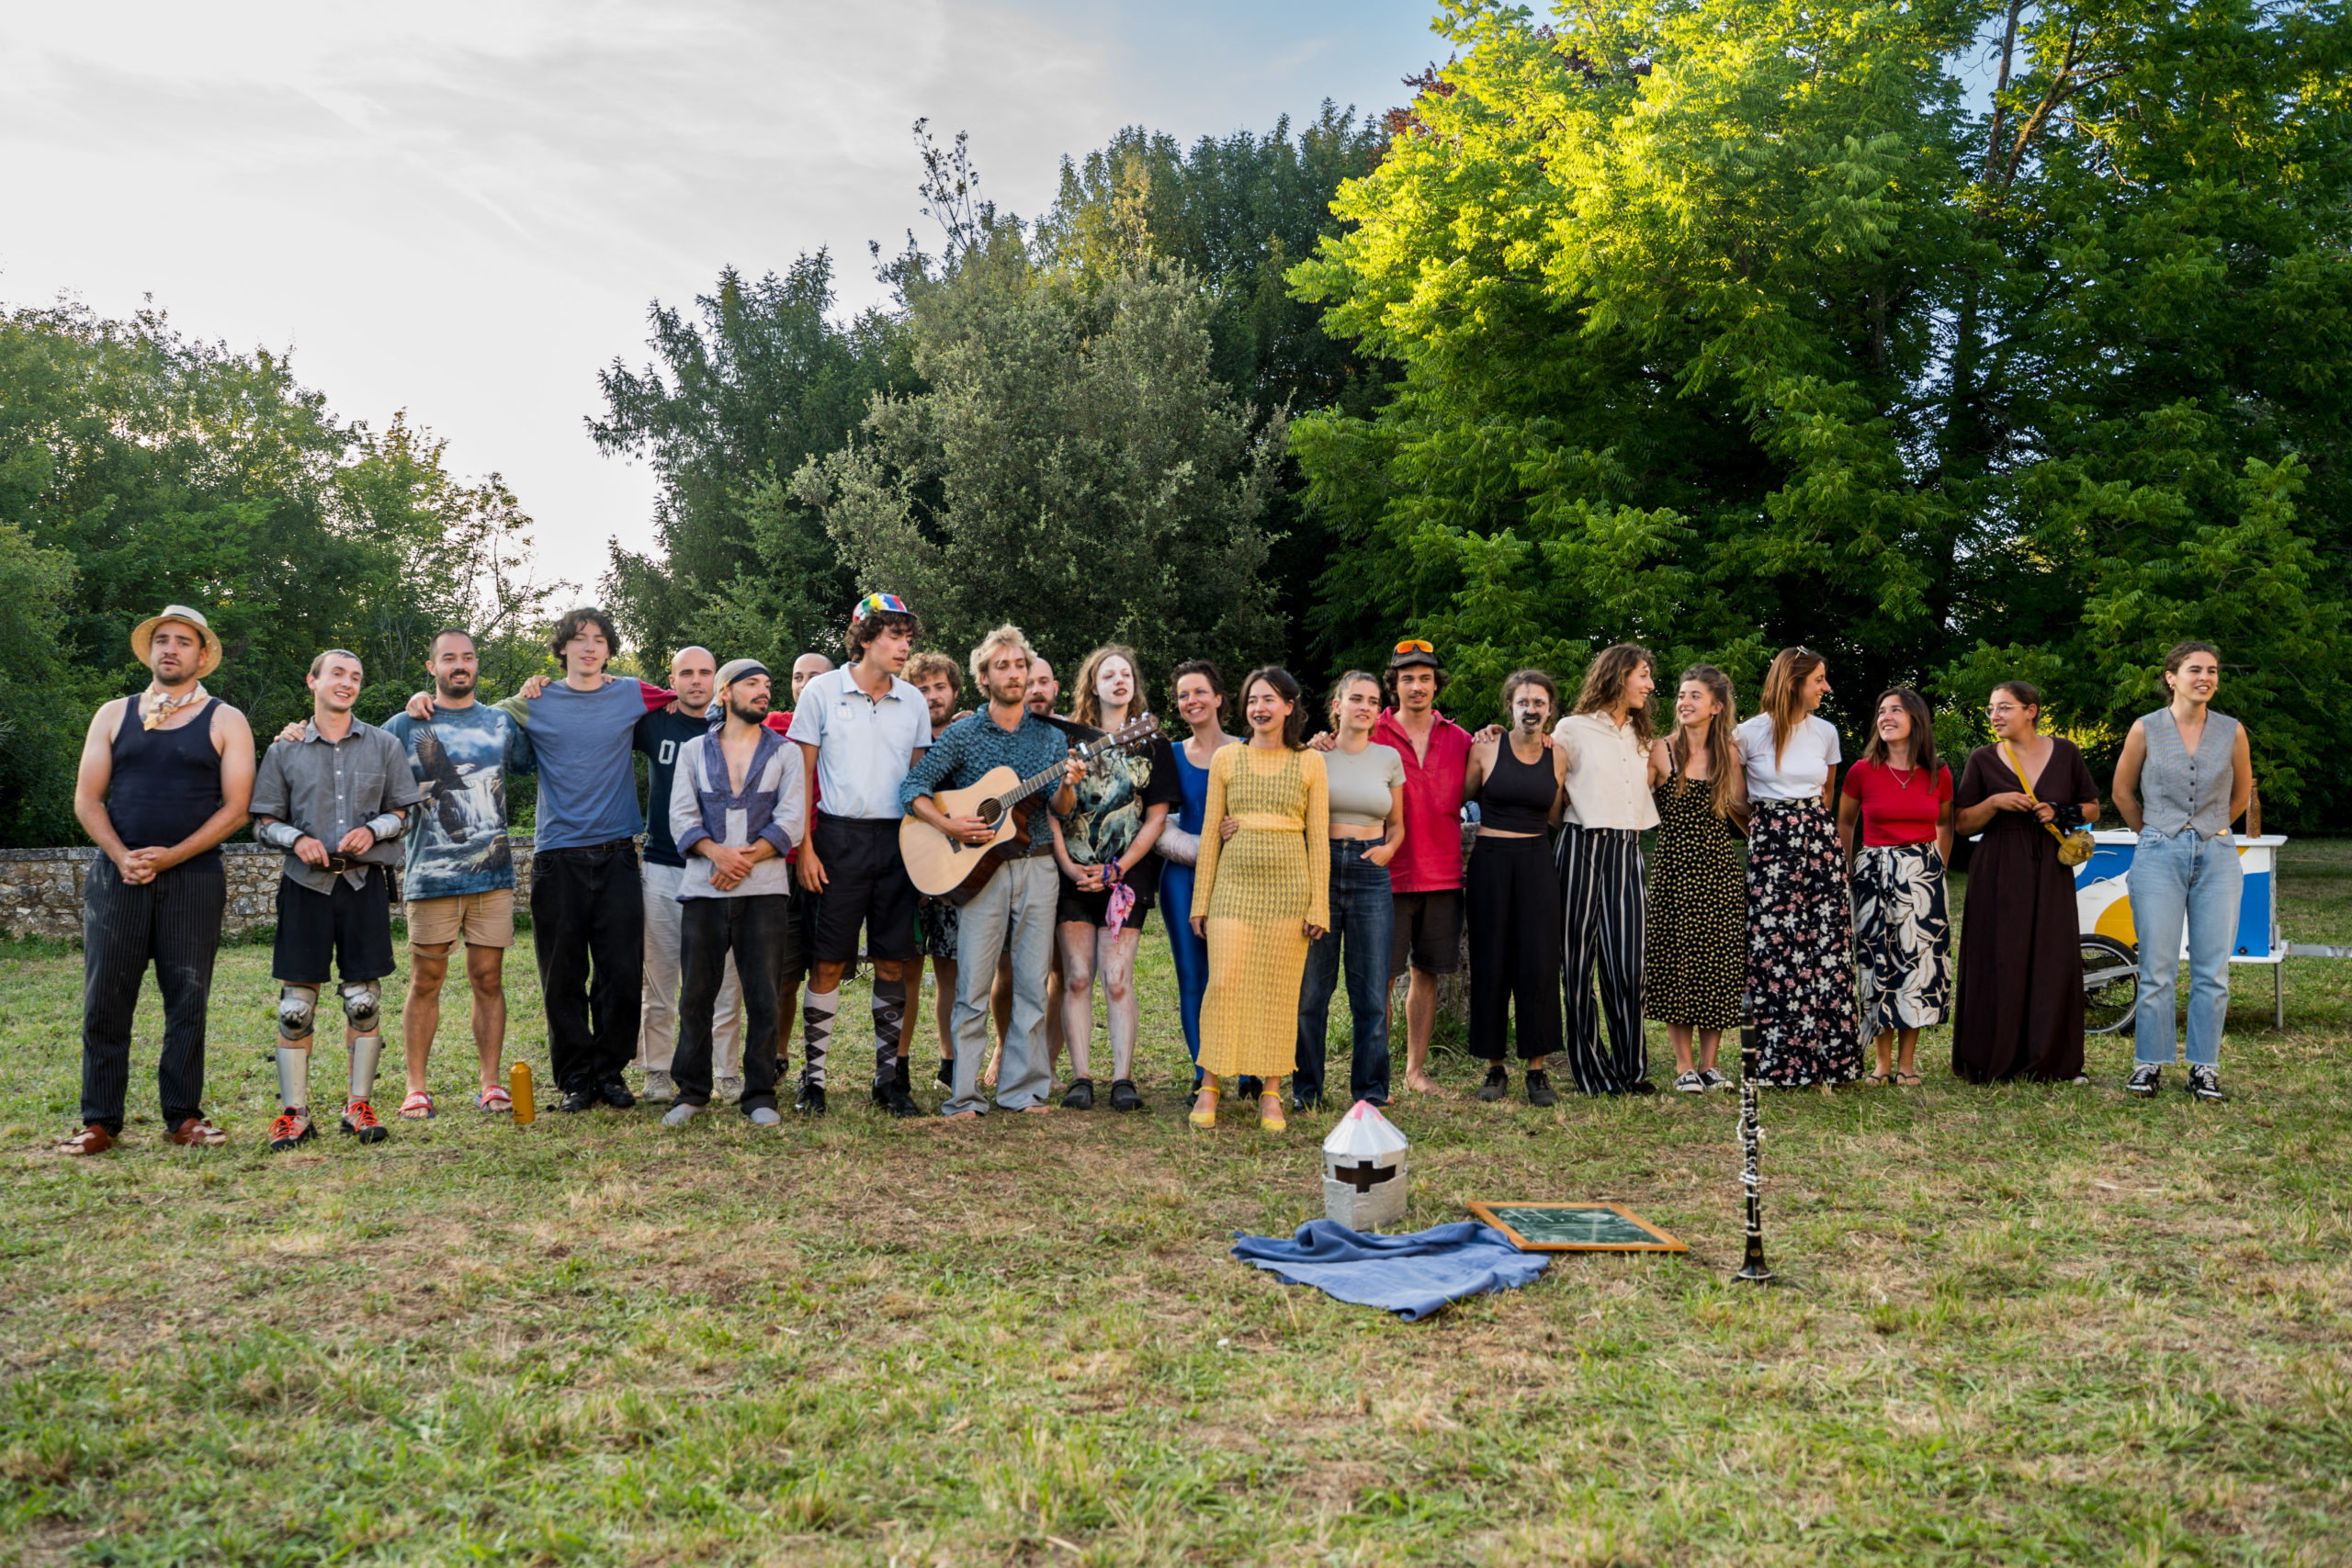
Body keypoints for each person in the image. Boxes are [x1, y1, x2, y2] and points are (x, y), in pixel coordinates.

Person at [407, 607, 676, 1112]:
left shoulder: (631, 692)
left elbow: (690, 698)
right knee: (563, 974)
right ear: (562, 650)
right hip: (558, 856)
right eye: (579, 640)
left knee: (620, 972)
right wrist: (422, 700)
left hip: (619, 851)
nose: (590, 647)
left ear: (610, 651)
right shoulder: (532, 701)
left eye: (599, 640)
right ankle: (575, 1078)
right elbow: (468, 709)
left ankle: (611, 1072)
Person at [60, 605, 255, 1156]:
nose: (170, 649)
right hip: (116, 878)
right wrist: (123, 857)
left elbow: (236, 809)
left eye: (183, 642)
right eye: (162, 640)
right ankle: (99, 1120)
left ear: (202, 655)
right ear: (150, 651)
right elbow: (87, 799)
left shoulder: (225, 719)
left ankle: (184, 1116)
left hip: (193, 878)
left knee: (188, 1000)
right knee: (105, 1001)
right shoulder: (113, 714)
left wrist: (169, 858)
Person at [900, 626, 1083, 1119]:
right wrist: (948, 822)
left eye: (1020, 665)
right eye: (1002, 666)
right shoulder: (963, 734)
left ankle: (1022, 1091)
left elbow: (1060, 809)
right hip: (980, 870)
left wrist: (1066, 784)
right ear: (984, 677)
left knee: (1030, 983)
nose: (1013, 673)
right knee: (973, 985)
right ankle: (963, 1095)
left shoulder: (1051, 738)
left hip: (1038, 866)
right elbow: (913, 788)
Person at [251, 649, 424, 1151]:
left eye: (356, 677)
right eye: (337, 675)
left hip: (361, 884)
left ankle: (358, 1105)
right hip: (306, 885)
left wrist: (374, 829)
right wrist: (293, 839)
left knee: (364, 1001)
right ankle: (294, 1113)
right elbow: (263, 820)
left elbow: (404, 812)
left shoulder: (385, 744)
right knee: (295, 1007)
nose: (347, 683)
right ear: (313, 681)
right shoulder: (284, 751)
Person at [380, 627, 537, 1119]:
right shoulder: (404, 725)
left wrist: (540, 693)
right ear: (432, 667)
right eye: (449, 658)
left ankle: (491, 1085)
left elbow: (538, 755)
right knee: (425, 979)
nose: (459, 665)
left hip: (492, 875)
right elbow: (366, 768)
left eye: (467, 657)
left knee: (488, 978)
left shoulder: (499, 723)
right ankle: (416, 1088)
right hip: (430, 875)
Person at [790, 593, 933, 1116]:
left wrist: (922, 857)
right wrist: (805, 848)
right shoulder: (823, 693)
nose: (904, 647)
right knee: (827, 964)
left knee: (894, 961)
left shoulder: (914, 701)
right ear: (866, 637)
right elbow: (801, 778)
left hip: (897, 843)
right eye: (895, 636)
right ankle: (814, 1080)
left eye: (908, 638)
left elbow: (919, 785)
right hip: (836, 840)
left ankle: (888, 1079)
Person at [660, 660, 808, 1127]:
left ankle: (759, 1093)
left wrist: (742, 860)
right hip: (703, 891)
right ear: (725, 693)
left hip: (764, 890)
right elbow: (681, 816)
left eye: (767, 684)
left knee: (763, 992)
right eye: (752, 684)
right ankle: (691, 1092)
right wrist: (715, 855)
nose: (764, 691)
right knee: (696, 995)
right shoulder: (691, 751)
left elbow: (792, 821)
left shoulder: (785, 753)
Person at [1189, 668, 1329, 1131]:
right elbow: (1211, 832)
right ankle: (1209, 1085)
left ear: (1289, 707)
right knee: (1224, 982)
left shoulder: (1310, 763)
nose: (1259, 709)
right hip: (1233, 887)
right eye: (1252, 701)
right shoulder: (1228, 758)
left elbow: (1320, 840)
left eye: (1269, 700)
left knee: (1278, 990)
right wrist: (1200, 900)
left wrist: (1319, 905)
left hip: (1291, 889)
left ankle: (1272, 1093)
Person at [2112, 641, 2253, 1101]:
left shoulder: (2233, 731)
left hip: (2217, 854)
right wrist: (2155, 833)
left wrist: (2210, 829)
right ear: (2171, 677)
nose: (2205, 678)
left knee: (2213, 970)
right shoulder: (2145, 728)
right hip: (2158, 852)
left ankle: (2204, 1068)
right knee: (2158, 966)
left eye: (2212, 670)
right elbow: (2121, 792)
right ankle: (2147, 1064)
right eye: (2195, 670)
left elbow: (2240, 796)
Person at [1951, 680, 2102, 1084]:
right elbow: (1962, 823)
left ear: (2031, 710)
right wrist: (1994, 803)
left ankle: (2052, 1060)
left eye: (2004, 708)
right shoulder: (1983, 759)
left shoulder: (2066, 752)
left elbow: (2093, 807)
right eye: (1991, 709)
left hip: (2050, 868)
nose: (1995, 716)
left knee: (2052, 957)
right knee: (2000, 957)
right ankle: (1991, 1057)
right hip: (1998, 867)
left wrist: (2061, 810)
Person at [1051, 646, 1178, 1111]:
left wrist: (1118, 868)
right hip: (1075, 873)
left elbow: (1157, 817)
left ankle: (1122, 1079)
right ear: (1093, 683)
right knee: (1079, 977)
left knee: (1118, 978)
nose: (1119, 680)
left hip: (1127, 876)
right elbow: (1056, 813)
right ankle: (1081, 1077)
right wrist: (1070, 867)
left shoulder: (1153, 743)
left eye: (1126, 673)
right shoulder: (1068, 738)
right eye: (1109, 674)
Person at [1735, 648, 1863, 1090]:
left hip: (1819, 841)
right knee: (1774, 949)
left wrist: (1810, 834)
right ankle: (1779, 1062)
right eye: (1819, 680)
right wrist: (1769, 828)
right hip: (1770, 844)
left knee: (1827, 945)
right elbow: (1736, 800)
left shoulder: (1826, 732)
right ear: (1793, 681)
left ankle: (1833, 1060)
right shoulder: (1746, 734)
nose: (1826, 688)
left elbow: (1827, 794)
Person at [635, 647, 744, 1105]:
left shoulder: (735, 726)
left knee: (726, 980)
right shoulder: (654, 723)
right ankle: (658, 1070)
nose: (696, 681)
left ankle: (726, 1072)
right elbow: (608, 694)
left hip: (720, 871)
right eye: (686, 673)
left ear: (718, 682)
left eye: (705, 673)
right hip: (662, 865)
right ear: (672, 680)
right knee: (658, 978)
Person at [1293, 671, 1404, 1110]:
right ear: (1336, 704)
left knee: (1372, 993)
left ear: (1379, 710)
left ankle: (1371, 1093)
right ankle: (1307, 1092)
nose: (1365, 706)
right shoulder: (1311, 754)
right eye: (1355, 698)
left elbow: (1397, 824)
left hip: (1370, 869)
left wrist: (1388, 850)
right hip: (1318, 869)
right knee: (1312, 994)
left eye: (1373, 701)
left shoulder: (1388, 758)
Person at [1554, 646, 1660, 1096]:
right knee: (1576, 965)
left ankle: (1631, 1069)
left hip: (1627, 850)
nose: (1650, 684)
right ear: (1618, 675)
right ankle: (1591, 1072)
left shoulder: (1645, 737)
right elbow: (1552, 793)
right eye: (1643, 674)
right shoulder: (1571, 729)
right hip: (1580, 845)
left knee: (1628, 966)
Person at [1458, 669, 1568, 1103]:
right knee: (1491, 961)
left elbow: (1557, 816)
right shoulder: (1485, 748)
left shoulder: (1557, 755)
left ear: (1549, 709)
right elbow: (1463, 797)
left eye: (1539, 702)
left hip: (1538, 863)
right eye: (1523, 702)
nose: (1531, 709)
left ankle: (1537, 1071)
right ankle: (1494, 1068)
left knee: (1538, 962)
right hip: (1490, 862)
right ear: (1510, 706)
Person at [1837, 687, 1954, 1088]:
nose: (1885, 717)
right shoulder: (1861, 771)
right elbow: (1846, 823)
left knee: (1919, 968)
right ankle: (1882, 1063)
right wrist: (1845, 870)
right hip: (1873, 872)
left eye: (1896, 711)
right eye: (1881, 710)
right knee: (1876, 965)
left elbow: (1944, 824)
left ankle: (1907, 1065)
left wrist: (1936, 865)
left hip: (1923, 874)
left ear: (1916, 719)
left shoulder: (1938, 773)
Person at [1369, 641, 1473, 1095]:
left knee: (1426, 973)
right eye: (1407, 677)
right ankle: (1377, 1075)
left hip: (1443, 874)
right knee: (1381, 977)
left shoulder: (1461, 739)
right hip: (1386, 873)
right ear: (1394, 684)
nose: (1417, 686)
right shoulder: (1369, 733)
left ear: (1436, 684)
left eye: (1425, 678)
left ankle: (1414, 1071)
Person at [1645, 665, 1747, 1093]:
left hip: (1720, 870)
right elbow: (1635, 804)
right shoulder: (1659, 750)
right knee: (1677, 961)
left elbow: (1742, 813)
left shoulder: (1730, 754)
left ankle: (1710, 1065)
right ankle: (1683, 1065)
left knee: (1718, 963)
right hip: (1673, 868)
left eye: (1695, 696)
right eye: (1681, 695)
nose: (1684, 702)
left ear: (1716, 707)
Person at [985, 654, 1074, 1084]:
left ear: (1056, 688)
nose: (1036, 688)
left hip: (1068, 866)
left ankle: (1047, 1061)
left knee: (1057, 968)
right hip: (1012, 858)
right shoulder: (996, 729)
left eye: (1044, 681)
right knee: (1006, 968)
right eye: (1029, 681)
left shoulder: (1072, 737)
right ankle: (1004, 1047)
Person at [1155, 660, 1233, 1101]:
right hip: (1182, 878)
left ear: (1218, 698)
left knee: (1233, 975)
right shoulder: (1171, 754)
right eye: (1184, 695)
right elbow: (1159, 819)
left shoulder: (1245, 748)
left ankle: (1243, 1070)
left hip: (1239, 878)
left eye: (1199, 692)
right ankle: (1203, 1072)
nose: (1191, 701)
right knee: (1193, 975)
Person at [903, 649, 971, 1089]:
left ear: (955, 690)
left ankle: (950, 1061)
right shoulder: (900, 735)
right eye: (921, 689)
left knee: (952, 969)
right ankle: (898, 1063)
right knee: (906, 969)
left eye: (939, 687)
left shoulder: (970, 734)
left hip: (958, 871)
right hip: (908, 865)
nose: (931, 696)